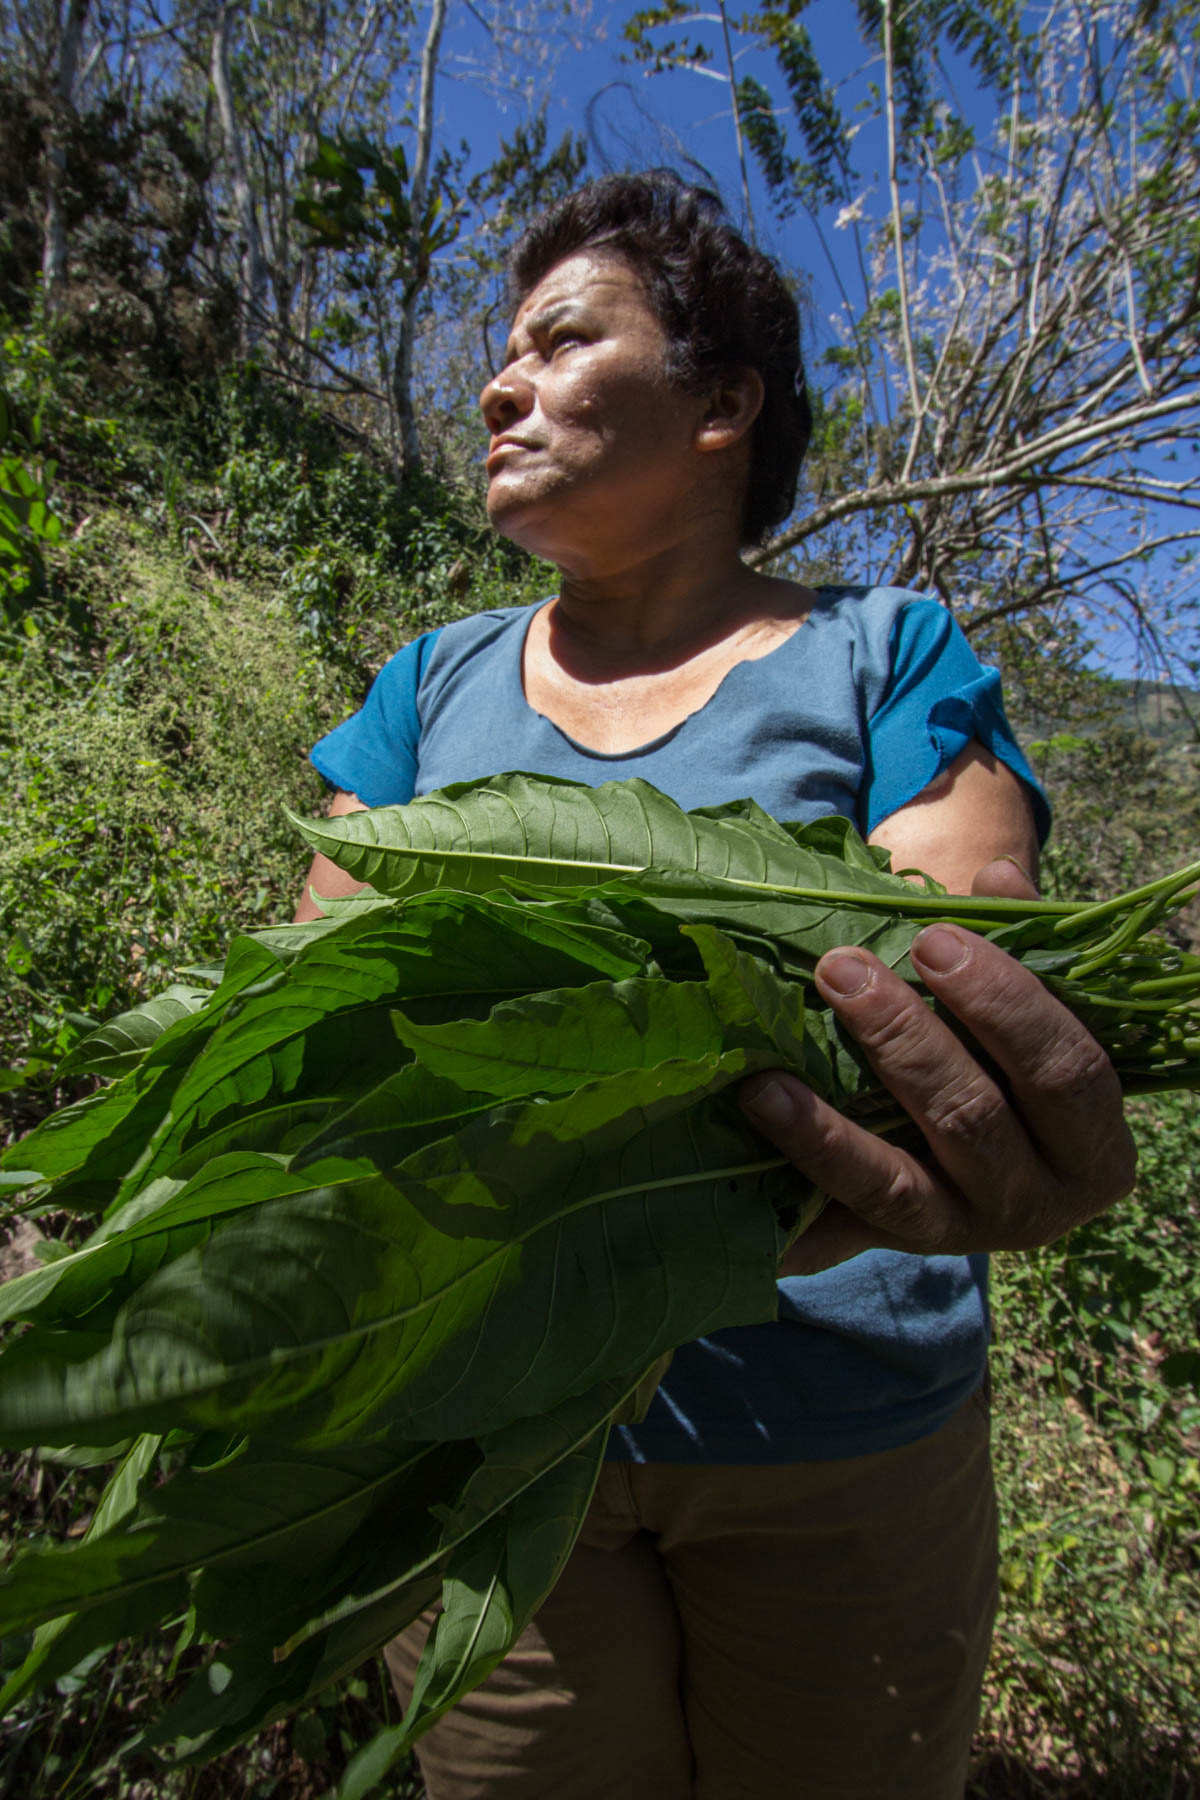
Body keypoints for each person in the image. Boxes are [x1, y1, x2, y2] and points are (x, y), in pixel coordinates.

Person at [296, 172, 1135, 1800]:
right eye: (503, 349)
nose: (497, 383)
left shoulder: (883, 652)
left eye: (560, 339)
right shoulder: (430, 683)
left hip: (835, 1439)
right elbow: (318, 985)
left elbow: (945, 963)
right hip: (488, 1426)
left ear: (723, 400)